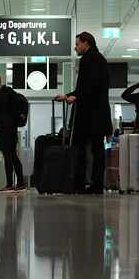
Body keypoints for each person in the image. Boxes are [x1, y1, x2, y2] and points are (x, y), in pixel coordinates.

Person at [55, 32, 111, 195]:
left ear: (86, 43)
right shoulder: (100, 59)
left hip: (89, 114)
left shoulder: (89, 59)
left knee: (81, 148)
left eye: (77, 43)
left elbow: (87, 86)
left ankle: (80, 183)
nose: (75, 47)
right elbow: (89, 87)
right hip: (99, 113)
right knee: (97, 149)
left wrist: (75, 96)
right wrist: (68, 95)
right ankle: (96, 183)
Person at [0, 72, 25, 191]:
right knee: (13, 155)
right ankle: (21, 183)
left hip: (3, 128)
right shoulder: (8, 92)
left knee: (7, 156)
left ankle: (9, 184)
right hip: (12, 127)